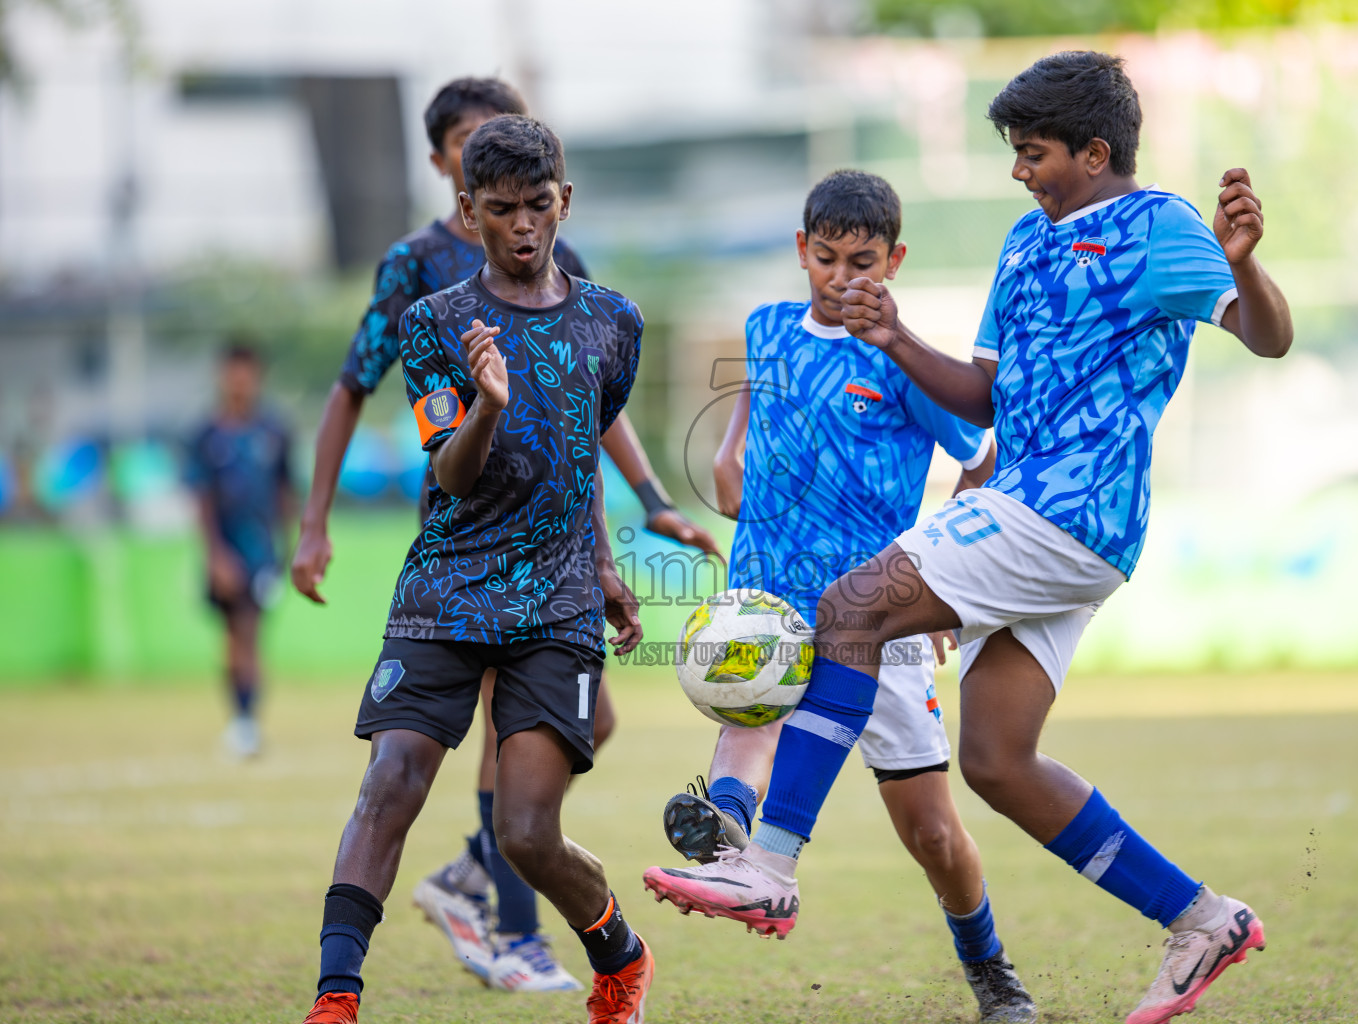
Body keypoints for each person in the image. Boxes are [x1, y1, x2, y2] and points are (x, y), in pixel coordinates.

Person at [644, 51, 1293, 1024]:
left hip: (1075, 507)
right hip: (1036, 508)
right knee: (993, 759)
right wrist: (895, 335)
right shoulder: (1023, 244)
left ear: (1094, 149)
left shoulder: (1161, 227)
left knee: (851, 606)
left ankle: (768, 864)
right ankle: (1203, 918)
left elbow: (1267, 334)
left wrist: (1243, 262)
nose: (1020, 171)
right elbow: (982, 395)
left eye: (1033, 153)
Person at [288, 76, 717, 993]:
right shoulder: (435, 321)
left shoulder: (615, 321)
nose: (522, 226)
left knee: (526, 832)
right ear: (466, 209)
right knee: (391, 782)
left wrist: (608, 556)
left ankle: (618, 956)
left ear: (566, 200)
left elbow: (575, 447)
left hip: (555, 596)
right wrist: (486, 406)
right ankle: (335, 997)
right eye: (500, 210)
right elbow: (451, 471)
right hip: (447, 583)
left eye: (538, 205)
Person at [655, 169, 1033, 1022]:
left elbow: (981, 455)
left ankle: (991, 970)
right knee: (749, 713)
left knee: (931, 833)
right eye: (826, 258)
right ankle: (726, 835)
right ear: (801, 252)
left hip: (875, 616)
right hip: (767, 602)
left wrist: (944, 575)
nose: (842, 276)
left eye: (862, 261)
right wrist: (731, 470)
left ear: (894, 260)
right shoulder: (764, 331)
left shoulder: (904, 362)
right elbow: (735, 452)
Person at [186, 341, 294, 759]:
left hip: (262, 551)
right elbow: (202, 498)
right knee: (233, 637)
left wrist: (289, 546)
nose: (239, 382)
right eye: (233, 372)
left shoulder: (274, 431)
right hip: (225, 551)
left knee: (250, 632)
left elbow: (287, 491)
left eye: (246, 373)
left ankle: (246, 722)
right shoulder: (207, 435)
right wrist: (215, 555)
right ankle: (243, 719)